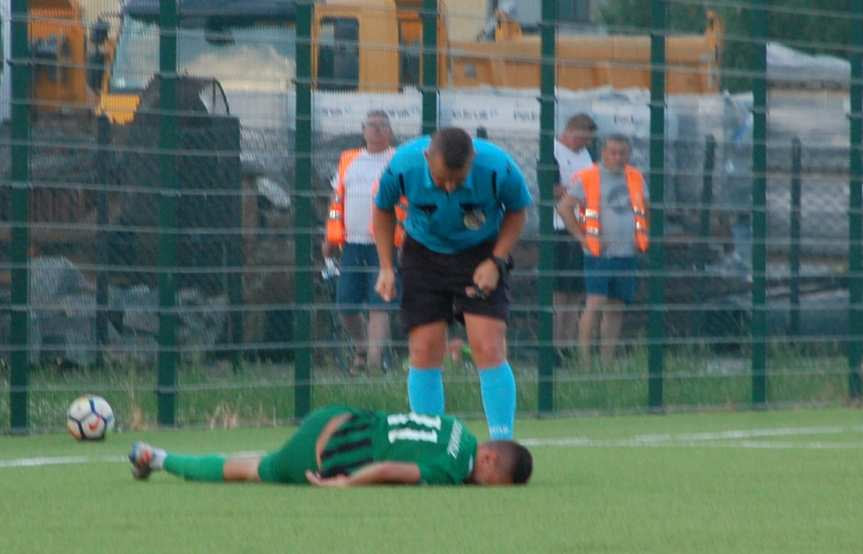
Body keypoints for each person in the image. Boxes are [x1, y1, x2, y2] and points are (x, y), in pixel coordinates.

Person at [372, 127, 532, 440]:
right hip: (423, 254)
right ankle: (431, 439)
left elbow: (517, 211)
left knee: (488, 346)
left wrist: (496, 261)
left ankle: (501, 443)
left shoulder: (499, 167)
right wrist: (386, 267)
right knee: (424, 349)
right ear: (427, 158)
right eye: (442, 178)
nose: (448, 187)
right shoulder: (403, 166)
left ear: (472, 161)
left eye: (457, 181)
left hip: (481, 253)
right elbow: (382, 209)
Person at [128, 405, 533, 487]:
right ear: (490, 458)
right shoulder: (452, 470)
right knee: (251, 469)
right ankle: (159, 458)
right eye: (492, 479)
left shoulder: (457, 425)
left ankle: (157, 458)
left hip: (341, 416)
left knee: (257, 461)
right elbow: (393, 470)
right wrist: (347, 483)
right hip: (329, 451)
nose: (484, 486)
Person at [556, 134, 649, 367]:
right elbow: (565, 207)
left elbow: (644, 209)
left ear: (628, 155)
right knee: (594, 302)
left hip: (627, 252)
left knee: (616, 306)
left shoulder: (635, 177)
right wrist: (581, 236)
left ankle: (607, 361)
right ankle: (585, 360)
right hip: (598, 253)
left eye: (622, 153)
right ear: (604, 154)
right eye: (613, 152)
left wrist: (642, 235)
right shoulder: (588, 177)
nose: (618, 157)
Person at [323, 110, 397, 375]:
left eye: (382, 126)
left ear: (389, 132)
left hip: (385, 244)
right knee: (346, 305)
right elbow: (336, 201)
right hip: (352, 243)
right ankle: (362, 347)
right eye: (372, 125)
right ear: (363, 130)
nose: (377, 130)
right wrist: (329, 237)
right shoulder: (349, 160)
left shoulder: (396, 161)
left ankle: (375, 363)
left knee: (380, 303)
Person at [552, 114, 597, 362]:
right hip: (560, 226)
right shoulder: (553, 151)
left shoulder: (585, 156)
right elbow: (553, 188)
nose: (586, 145)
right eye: (583, 139)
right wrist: (578, 194)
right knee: (560, 290)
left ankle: (567, 343)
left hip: (584, 226)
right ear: (571, 132)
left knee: (577, 290)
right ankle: (555, 343)